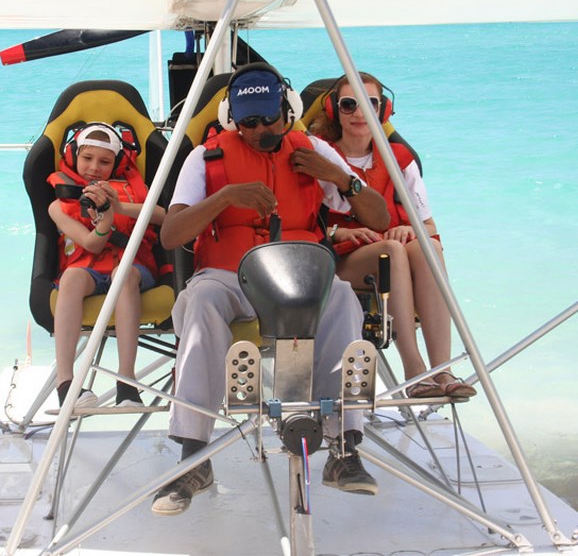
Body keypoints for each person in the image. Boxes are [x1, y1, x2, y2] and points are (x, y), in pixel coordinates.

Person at [152, 63, 392, 516]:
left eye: (270, 119)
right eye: (249, 122)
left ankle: (344, 446)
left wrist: (340, 177)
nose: (261, 130)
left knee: (341, 296)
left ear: (289, 109)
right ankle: (193, 457)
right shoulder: (204, 159)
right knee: (198, 300)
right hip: (229, 278)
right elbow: (171, 235)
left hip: (302, 280)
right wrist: (224, 198)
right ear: (230, 118)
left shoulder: (315, 150)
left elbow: (380, 217)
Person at [310, 73, 475, 399]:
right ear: (334, 110)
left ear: (383, 110)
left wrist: (411, 229)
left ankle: (441, 369)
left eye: (369, 103)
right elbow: (303, 223)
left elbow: (428, 225)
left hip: (390, 250)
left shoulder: (400, 159)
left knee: (427, 247)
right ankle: (414, 368)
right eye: (349, 104)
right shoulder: (322, 158)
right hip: (340, 257)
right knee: (392, 252)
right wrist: (337, 230)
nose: (360, 113)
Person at [47, 123, 166, 408]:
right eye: (87, 158)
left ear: (117, 163)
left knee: (122, 274)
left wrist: (119, 207)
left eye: (104, 162)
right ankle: (66, 383)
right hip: (89, 265)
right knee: (71, 277)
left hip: (132, 267)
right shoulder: (57, 206)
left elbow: (164, 216)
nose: (94, 167)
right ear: (74, 155)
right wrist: (104, 222)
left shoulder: (133, 190)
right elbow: (90, 244)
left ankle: (126, 381)